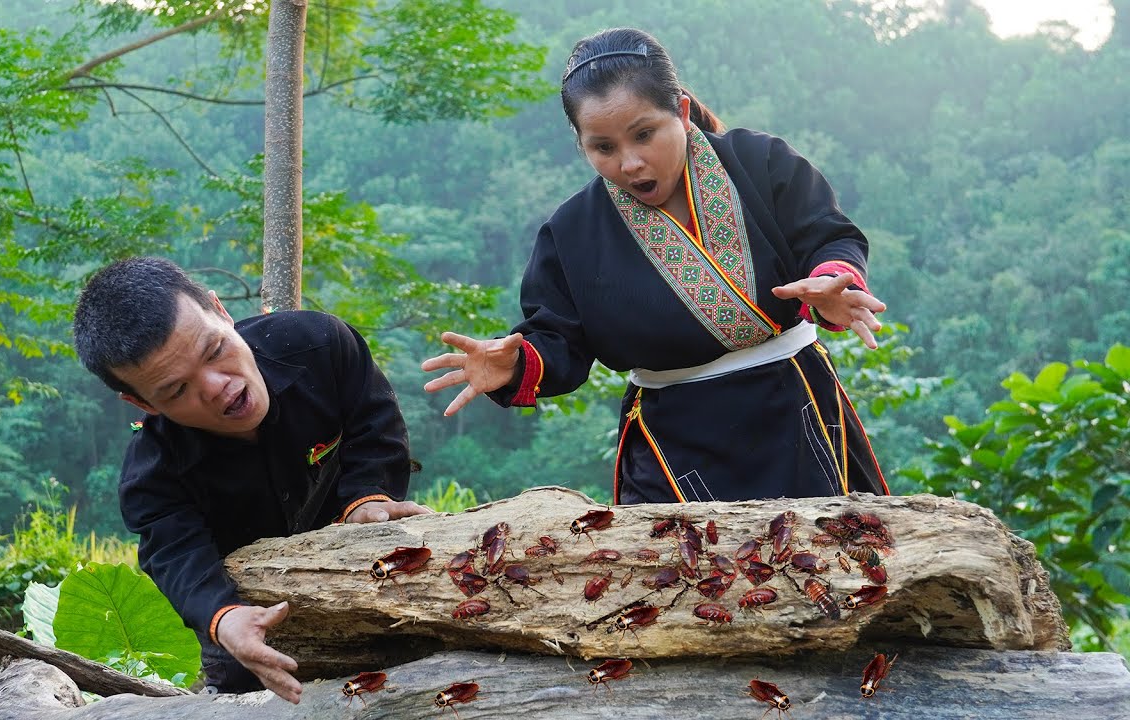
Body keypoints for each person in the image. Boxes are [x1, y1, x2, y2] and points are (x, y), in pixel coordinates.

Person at [421, 27, 889, 504]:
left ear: (682, 113)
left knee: (831, 565)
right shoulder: (572, 233)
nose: (630, 163)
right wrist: (517, 362)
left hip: (795, 409)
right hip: (671, 442)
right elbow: (558, 337)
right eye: (603, 148)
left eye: (644, 135)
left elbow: (827, 235)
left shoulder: (760, 161)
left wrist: (832, 286)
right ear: (580, 143)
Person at [72, 256, 428, 703]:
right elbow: (177, 556)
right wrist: (225, 618)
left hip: (358, 578)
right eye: (178, 390)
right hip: (248, 623)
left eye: (214, 350)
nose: (218, 385)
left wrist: (367, 498)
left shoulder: (321, 345)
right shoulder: (153, 477)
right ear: (143, 404)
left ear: (221, 311)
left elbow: (374, 424)